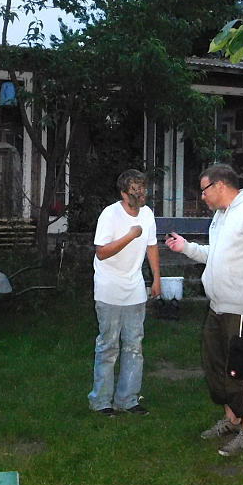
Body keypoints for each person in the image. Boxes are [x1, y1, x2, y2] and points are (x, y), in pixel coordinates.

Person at [166, 163, 243, 456]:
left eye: (204, 190)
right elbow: (214, 255)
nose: (203, 197)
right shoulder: (221, 217)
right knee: (215, 365)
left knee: (241, 369)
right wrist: (186, 247)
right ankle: (231, 420)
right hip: (218, 306)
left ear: (220, 186)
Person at [89, 169, 161, 416]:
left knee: (134, 347)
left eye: (143, 188)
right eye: (136, 190)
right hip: (109, 290)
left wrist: (157, 278)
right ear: (123, 193)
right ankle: (101, 402)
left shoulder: (148, 215)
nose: (142, 193)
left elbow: (152, 246)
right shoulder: (110, 215)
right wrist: (130, 235)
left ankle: (128, 399)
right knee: (108, 346)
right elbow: (101, 252)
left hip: (135, 291)